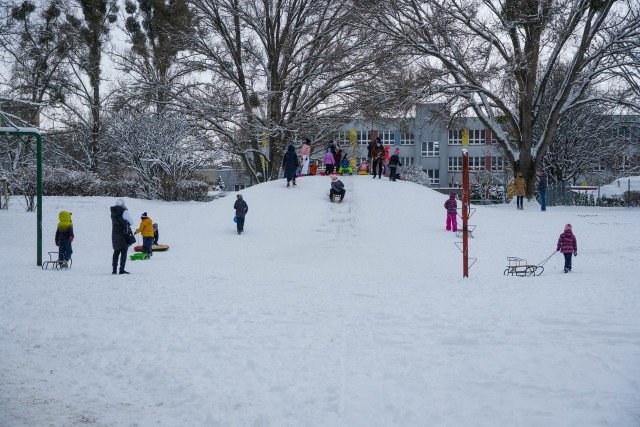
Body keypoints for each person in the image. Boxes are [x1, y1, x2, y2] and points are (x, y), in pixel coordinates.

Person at [111, 198, 134, 274]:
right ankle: (121, 269)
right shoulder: (124, 211)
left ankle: (114, 270)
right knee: (124, 251)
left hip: (114, 233)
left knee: (116, 251)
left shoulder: (113, 212)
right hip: (123, 234)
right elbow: (131, 222)